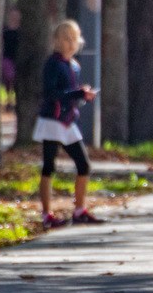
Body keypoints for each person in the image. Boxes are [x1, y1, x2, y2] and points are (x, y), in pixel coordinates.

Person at [34, 20, 105, 228]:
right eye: (66, 38)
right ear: (57, 40)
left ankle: (79, 210)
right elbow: (51, 94)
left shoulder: (74, 65)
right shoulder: (53, 64)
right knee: (49, 166)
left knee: (84, 165)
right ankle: (46, 215)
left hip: (68, 122)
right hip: (52, 121)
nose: (71, 43)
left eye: (74, 38)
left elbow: (72, 95)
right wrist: (78, 93)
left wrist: (83, 95)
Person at [1, 6, 21, 111]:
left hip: (17, 59)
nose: (14, 17)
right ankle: (9, 100)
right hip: (7, 58)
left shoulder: (21, 31)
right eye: (12, 15)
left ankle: (13, 101)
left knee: (16, 81)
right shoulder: (5, 30)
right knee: (9, 78)